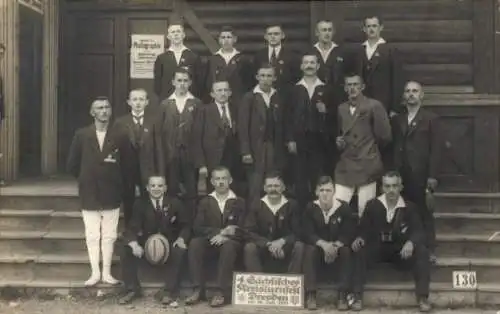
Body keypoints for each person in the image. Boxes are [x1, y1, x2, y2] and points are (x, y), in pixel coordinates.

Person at [351, 171, 432, 312]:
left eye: (395, 186)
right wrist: (360, 238)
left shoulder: (410, 207)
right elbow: (363, 228)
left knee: (422, 251)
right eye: (387, 186)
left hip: (400, 251)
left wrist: (411, 242)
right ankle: (357, 296)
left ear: (401, 187)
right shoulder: (373, 205)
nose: (391, 190)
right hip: (378, 248)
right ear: (382, 188)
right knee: (359, 250)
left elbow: (419, 231)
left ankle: (423, 297)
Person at [66, 97, 126, 286]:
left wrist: (116, 182)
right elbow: (72, 164)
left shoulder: (120, 135)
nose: (104, 111)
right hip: (89, 192)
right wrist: (87, 178)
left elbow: (127, 164)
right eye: (99, 108)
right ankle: (95, 272)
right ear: (92, 112)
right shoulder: (82, 135)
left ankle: (107, 273)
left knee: (109, 234)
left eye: (107, 107)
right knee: (92, 234)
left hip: (111, 192)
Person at [118, 175, 190, 306]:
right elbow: (132, 227)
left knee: (179, 250)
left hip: (169, 244)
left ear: (165, 188)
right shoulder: (140, 204)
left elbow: (185, 225)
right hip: (147, 245)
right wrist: (134, 244)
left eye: (160, 185)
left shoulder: (175, 203)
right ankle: (132, 289)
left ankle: (169, 291)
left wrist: (181, 239)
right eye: (153, 186)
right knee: (125, 249)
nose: (156, 188)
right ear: (147, 188)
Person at [391, 81, 441, 262]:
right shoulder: (397, 119)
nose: (411, 94)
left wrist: (432, 176)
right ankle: (405, 247)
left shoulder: (431, 119)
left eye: (415, 91)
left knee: (424, 211)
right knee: (404, 211)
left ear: (421, 95)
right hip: (401, 173)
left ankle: (429, 249)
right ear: (403, 96)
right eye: (407, 91)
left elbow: (436, 149)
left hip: (421, 173)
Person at [186, 167, 247, 307]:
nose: (220, 182)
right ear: (212, 182)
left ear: (230, 180)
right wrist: (219, 232)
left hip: (231, 242)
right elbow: (197, 227)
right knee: (195, 243)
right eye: (217, 179)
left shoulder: (239, 201)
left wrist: (227, 235)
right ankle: (197, 289)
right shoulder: (205, 201)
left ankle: (221, 292)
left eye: (224, 178)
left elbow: (244, 227)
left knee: (229, 246)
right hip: (211, 240)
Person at [335, 74, 392, 217]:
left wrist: (370, 150)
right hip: (347, 164)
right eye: (349, 85)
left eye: (355, 84)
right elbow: (341, 132)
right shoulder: (341, 108)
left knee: (366, 210)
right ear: (345, 88)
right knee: (338, 208)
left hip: (367, 163)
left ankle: (364, 239)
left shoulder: (374, 105)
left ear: (362, 87)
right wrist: (339, 142)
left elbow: (385, 136)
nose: (352, 88)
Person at [302, 176, 357, 310]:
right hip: (319, 250)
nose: (325, 194)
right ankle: (311, 294)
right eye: (322, 190)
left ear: (334, 192)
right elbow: (307, 232)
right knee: (309, 250)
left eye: (328, 190)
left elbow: (348, 232)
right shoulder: (311, 208)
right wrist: (324, 245)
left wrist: (335, 246)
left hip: (337, 250)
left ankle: (342, 295)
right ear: (316, 192)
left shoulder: (343, 207)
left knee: (346, 250)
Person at [288, 54, 335, 206]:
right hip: (299, 141)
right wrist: (290, 139)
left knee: (318, 179)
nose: (309, 65)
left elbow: (335, 116)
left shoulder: (326, 89)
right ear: (301, 66)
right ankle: (302, 218)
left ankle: (319, 214)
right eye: (306, 62)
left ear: (318, 66)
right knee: (300, 180)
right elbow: (286, 116)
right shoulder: (294, 89)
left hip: (319, 142)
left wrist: (325, 111)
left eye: (312, 63)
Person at [238, 63, 289, 202]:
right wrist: (246, 151)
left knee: (273, 182)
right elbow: (243, 126)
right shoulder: (250, 97)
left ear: (274, 78)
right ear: (257, 77)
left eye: (269, 76)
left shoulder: (278, 96)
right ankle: (253, 217)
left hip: (273, 146)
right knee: (255, 183)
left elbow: (283, 123)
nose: (265, 79)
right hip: (256, 148)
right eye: (262, 76)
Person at [115, 89, 163, 226]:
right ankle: (130, 233)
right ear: (129, 102)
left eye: (141, 99)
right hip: (127, 170)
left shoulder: (154, 121)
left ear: (147, 102)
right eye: (134, 99)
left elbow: (158, 149)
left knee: (147, 202)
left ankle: (147, 231)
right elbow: (117, 150)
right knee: (128, 201)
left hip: (148, 170)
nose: (138, 103)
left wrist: (160, 172)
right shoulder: (120, 122)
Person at [243, 172, 304, 274]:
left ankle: (292, 284)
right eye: (270, 186)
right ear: (264, 188)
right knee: (249, 247)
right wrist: (268, 244)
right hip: (263, 248)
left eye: (276, 186)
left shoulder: (292, 205)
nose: (273, 189)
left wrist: (282, 241)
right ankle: (257, 284)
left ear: (283, 188)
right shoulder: (256, 205)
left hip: (285, 248)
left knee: (299, 246)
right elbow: (248, 231)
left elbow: (298, 231)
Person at [192, 80, 244, 195]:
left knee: (234, 191)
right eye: (219, 90)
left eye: (226, 90)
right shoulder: (204, 111)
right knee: (213, 192)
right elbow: (196, 139)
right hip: (212, 160)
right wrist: (201, 164)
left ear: (230, 92)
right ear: (212, 94)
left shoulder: (237, 109)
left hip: (233, 159)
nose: (223, 93)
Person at [159, 68, 202, 203]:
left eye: (185, 81)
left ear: (190, 83)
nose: (182, 84)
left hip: (190, 153)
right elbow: (160, 131)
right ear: (173, 82)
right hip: (171, 153)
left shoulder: (196, 103)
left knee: (191, 189)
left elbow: (200, 130)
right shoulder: (165, 104)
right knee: (171, 188)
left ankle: (190, 221)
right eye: (179, 80)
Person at [352, 15, 404, 115]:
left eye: (374, 26)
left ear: (381, 27)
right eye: (368, 26)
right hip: (363, 104)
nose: (371, 29)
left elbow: (397, 80)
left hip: (384, 104)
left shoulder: (390, 50)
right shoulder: (359, 51)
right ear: (364, 29)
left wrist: (394, 108)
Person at [204, 26, 251, 107]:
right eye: (223, 37)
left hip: (238, 102)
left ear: (235, 39)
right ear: (219, 40)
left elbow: (248, 83)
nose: (226, 40)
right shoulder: (212, 60)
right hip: (217, 102)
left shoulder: (242, 59)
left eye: (229, 37)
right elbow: (208, 83)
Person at [154, 23, 202, 101]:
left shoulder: (193, 57)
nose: (176, 34)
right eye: (173, 32)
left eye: (178, 32)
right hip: (168, 100)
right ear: (168, 36)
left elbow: (199, 82)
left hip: (189, 101)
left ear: (183, 35)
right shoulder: (161, 58)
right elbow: (157, 85)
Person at [253, 24, 301, 96]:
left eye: (276, 34)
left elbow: (296, 78)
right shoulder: (259, 55)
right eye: (270, 34)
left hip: (286, 96)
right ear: (265, 36)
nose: (273, 36)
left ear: (282, 35)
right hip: (264, 96)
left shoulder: (292, 56)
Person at [311, 20, 346, 106]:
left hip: (337, 100)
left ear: (333, 32)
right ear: (317, 33)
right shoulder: (310, 52)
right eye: (324, 30)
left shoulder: (342, 52)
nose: (327, 33)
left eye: (329, 30)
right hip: (314, 98)